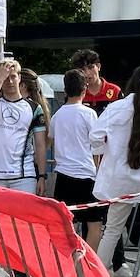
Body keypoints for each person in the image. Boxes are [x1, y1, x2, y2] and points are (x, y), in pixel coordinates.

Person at [91, 64, 140, 276]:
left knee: (113, 230)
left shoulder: (117, 107)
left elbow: (94, 136)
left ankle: (98, 275)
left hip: (121, 178)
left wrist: (108, 154)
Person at [49, 69, 103, 250]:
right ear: (84, 89)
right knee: (94, 224)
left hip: (63, 175)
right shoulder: (89, 114)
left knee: (65, 224)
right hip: (86, 174)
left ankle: (66, 262)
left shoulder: (57, 116)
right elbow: (97, 144)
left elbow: (52, 139)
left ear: (65, 90)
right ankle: (89, 264)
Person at [0, 60, 49, 194]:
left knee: (23, 215)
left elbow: (40, 144)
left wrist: (41, 176)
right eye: (6, 78)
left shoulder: (34, 107)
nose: (10, 82)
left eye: (13, 77)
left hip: (24, 177)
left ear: (19, 78)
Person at [73, 48, 121, 114]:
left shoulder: (115, 91)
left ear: (98, 66)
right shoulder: (76, 93)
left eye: (90, 67)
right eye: (83, 69)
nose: (87, 73)